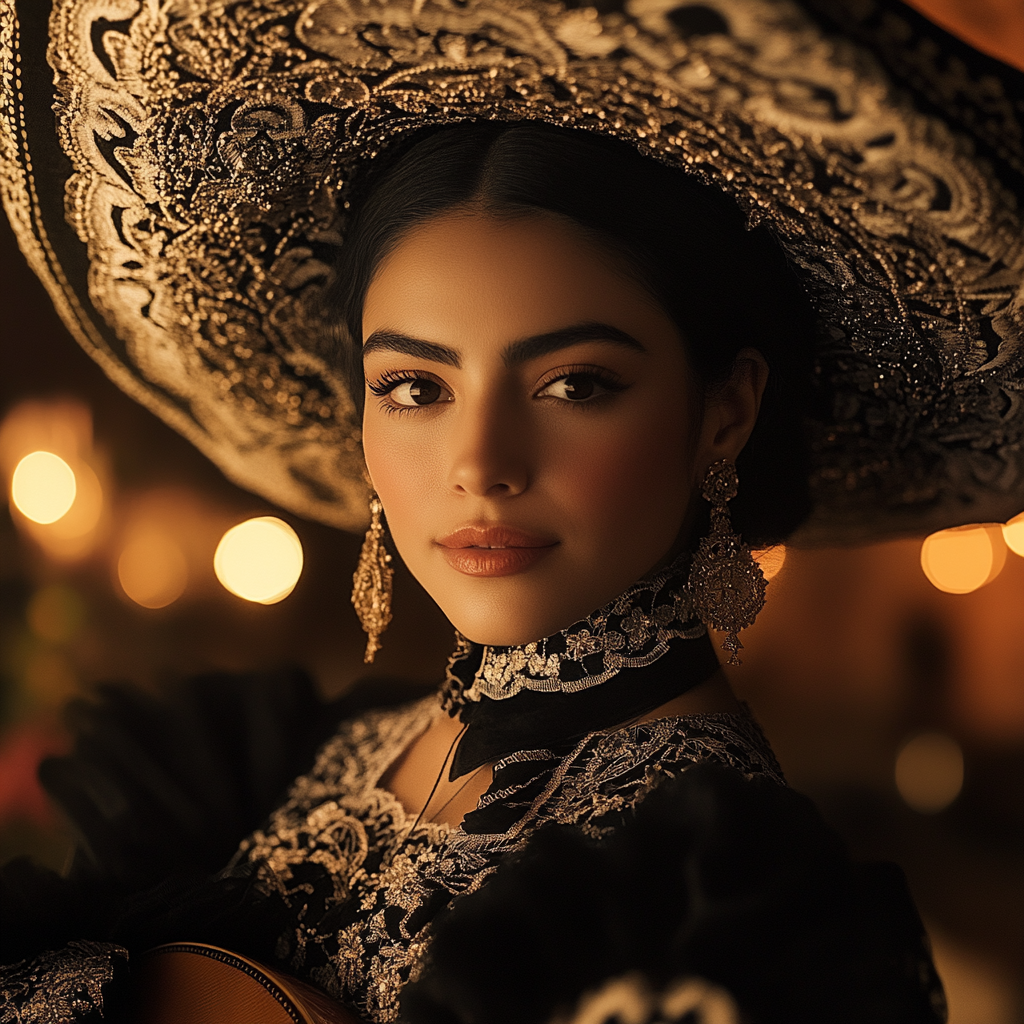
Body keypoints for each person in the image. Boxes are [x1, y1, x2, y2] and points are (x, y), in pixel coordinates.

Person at [1, 0, 1021, 1021]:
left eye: (574, 385)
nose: (480, 465)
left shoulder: (732, 919)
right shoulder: (296, 756)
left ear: (725, 409)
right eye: (414, 387)